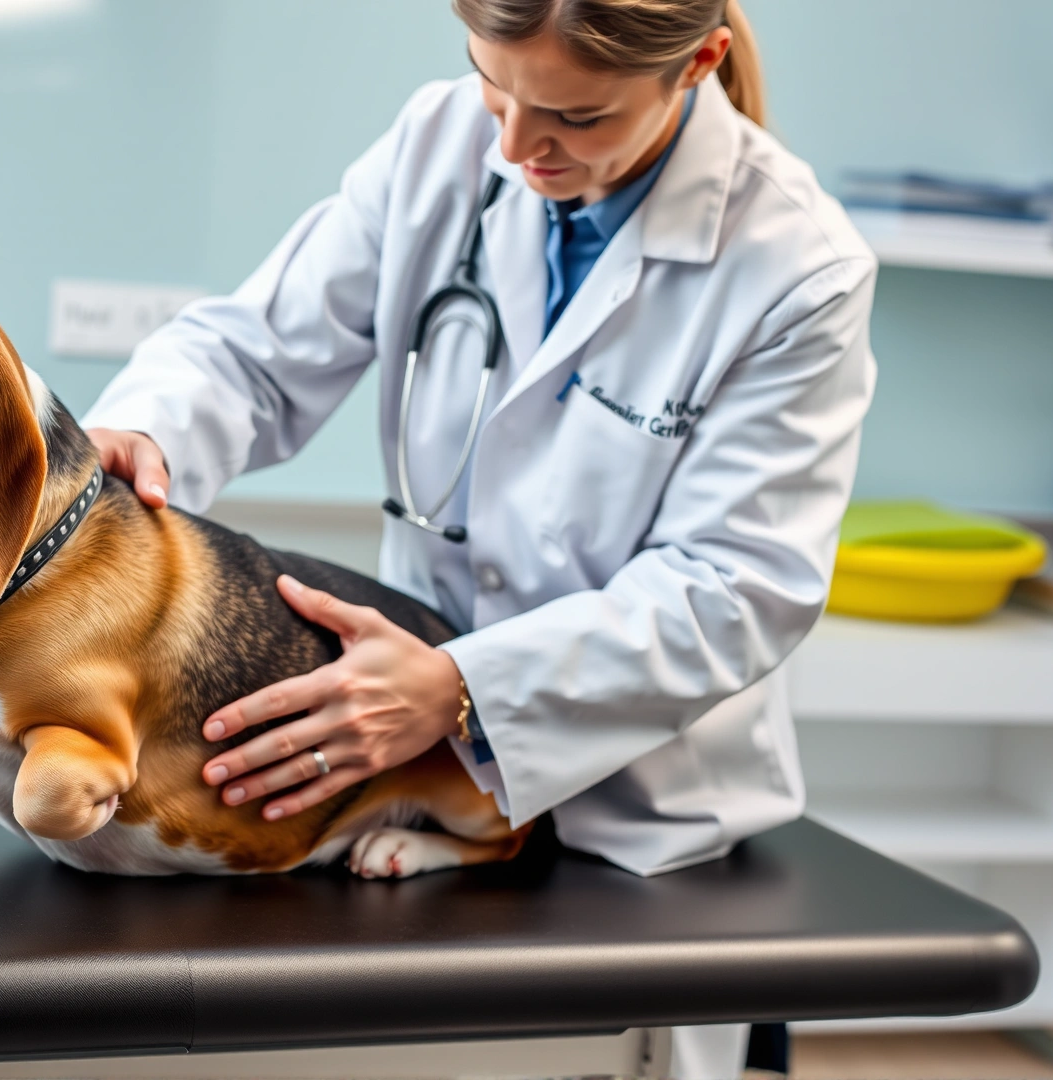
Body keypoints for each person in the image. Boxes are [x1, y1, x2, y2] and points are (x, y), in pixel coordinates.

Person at [84, 2, 875, 1075]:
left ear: (699, 63)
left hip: (639, 823)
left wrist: (461, 687)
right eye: (491, 83)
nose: (510, 144)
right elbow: (256, 352)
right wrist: (144, 427)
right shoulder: (439, 140)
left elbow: (734, 588)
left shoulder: (796, 265)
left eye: (574, 116)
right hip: (405, 788)